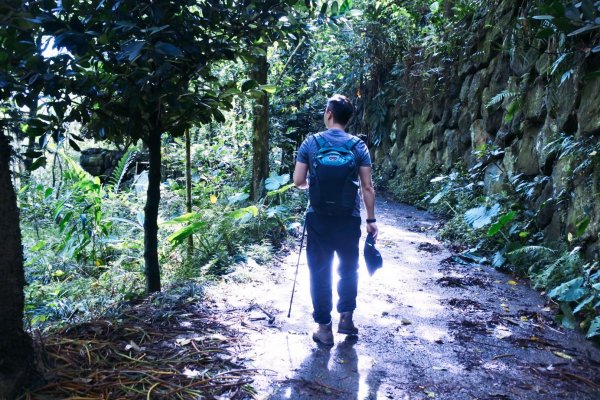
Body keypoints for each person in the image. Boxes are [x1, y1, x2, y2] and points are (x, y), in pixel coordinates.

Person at [293, 94, 378, 346]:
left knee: (319, 272)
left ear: (329, 113)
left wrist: (315, 186)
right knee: (348, 269)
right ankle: (346, 319)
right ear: (348, 118)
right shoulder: (358, 146)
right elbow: (367, 187)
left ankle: (324, 329)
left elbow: (298, 181)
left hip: (318, 217)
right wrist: (371, 219)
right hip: (348, 218)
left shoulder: (311, 143)